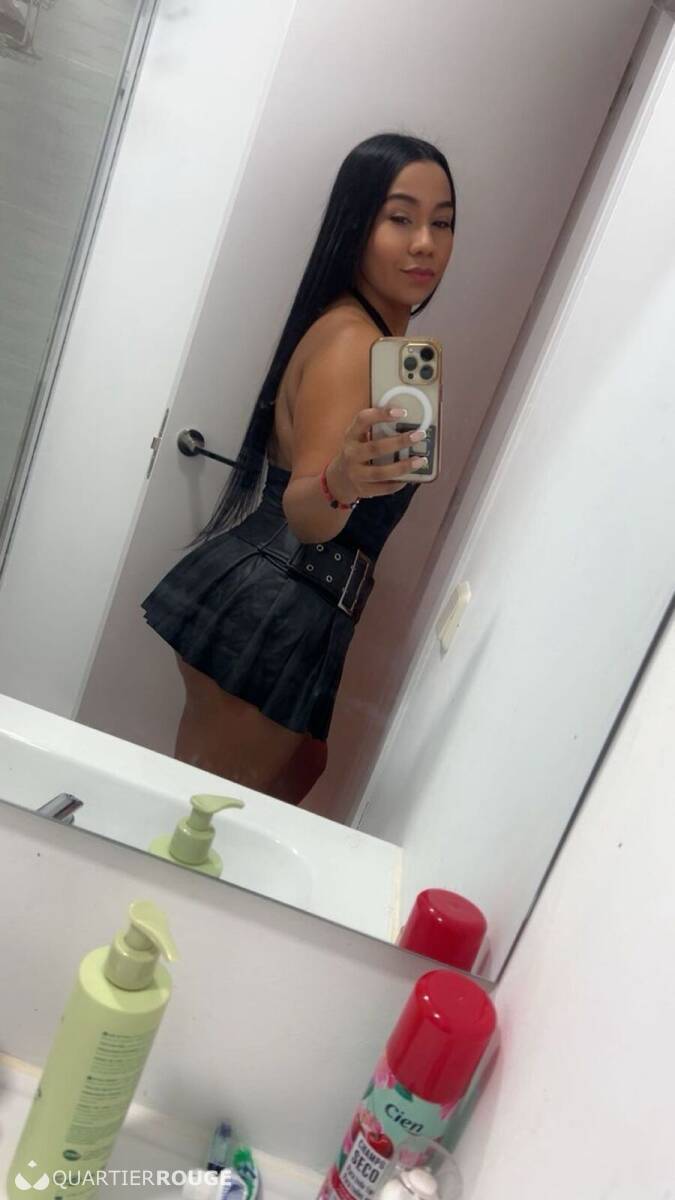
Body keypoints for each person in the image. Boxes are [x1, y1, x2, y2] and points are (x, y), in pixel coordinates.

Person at [142, 132, 456, 803]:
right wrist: (341, 481)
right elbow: (307, 514)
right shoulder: (353, 344)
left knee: (263, 789)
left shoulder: (363, 333)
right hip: (281, 598)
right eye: (400, 218)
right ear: (358, 223)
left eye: (442, 222)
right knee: (205, 821)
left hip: (285, 596)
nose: (425, 243)